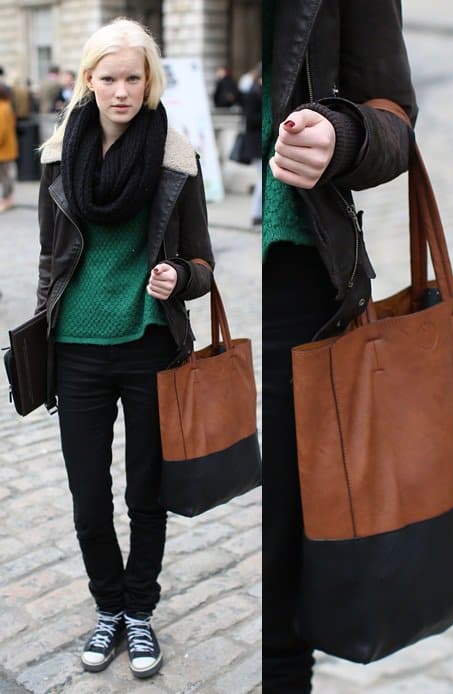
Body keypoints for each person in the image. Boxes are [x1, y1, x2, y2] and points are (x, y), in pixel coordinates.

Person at [37, 17, 213, 679]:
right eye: (107, 77)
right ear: (88, 80)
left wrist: (180, 277)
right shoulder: (59, 158)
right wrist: (40, 346)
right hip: (76, 349)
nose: (120, 90)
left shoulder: (175, 155)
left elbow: (202, 261)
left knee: (147, 491)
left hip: (147, 343)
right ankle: (106, 607)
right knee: (88, 497)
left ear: (149, 81)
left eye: (131, 78)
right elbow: (50, 262)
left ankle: (139, 612)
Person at [262, 1, 417, 691]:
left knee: (284, 562)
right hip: (170, 307)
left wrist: (345, 133)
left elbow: (394, 115)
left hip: (297, 282)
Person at [240, 65, 262, 225]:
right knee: (262, 180)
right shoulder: (253, 93)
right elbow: (250, 119)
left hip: (259, 143)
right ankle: (256, 214)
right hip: (256, 144)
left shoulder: (258, 91)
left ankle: (258, 214)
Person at [0, 83, 18, 213]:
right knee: (7, 175)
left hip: (3, 150)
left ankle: (7, 200)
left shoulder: (2, 108)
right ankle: (8, 199)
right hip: (8, 148)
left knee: (5, 176)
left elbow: (2, 130)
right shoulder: (7, 106)